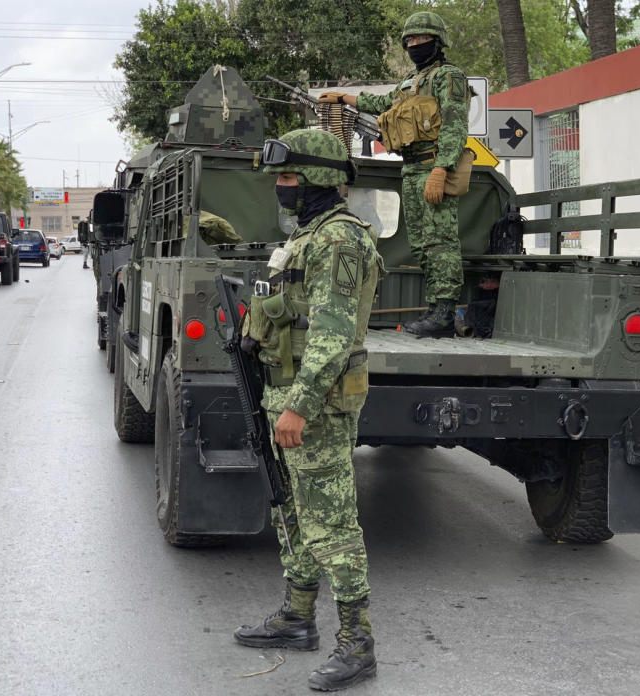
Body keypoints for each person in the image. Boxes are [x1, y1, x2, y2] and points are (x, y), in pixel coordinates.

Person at [233, 128, 382, 691]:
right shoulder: (307, 236)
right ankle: (297, 618)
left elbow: (332, 337)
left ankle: (357, 644)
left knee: (332, 525)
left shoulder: (339, 240)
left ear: (319, 178)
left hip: (314, 404)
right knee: (291, 511)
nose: (281, 186)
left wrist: (297, 407)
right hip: (285, 394)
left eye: (290, 176)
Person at [319, 11, 469, 337]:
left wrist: (441, 170)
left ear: (437, 40)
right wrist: (345, 98)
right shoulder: (411, 83)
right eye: (409, 40)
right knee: (421, 244)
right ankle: (435, 308)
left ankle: (444, 312)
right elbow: (384, 102)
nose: (414, 44)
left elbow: (456, 127)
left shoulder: (448, 76)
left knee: (440, 242)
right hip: (412, 169)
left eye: (420, 38)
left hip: (433, 166)